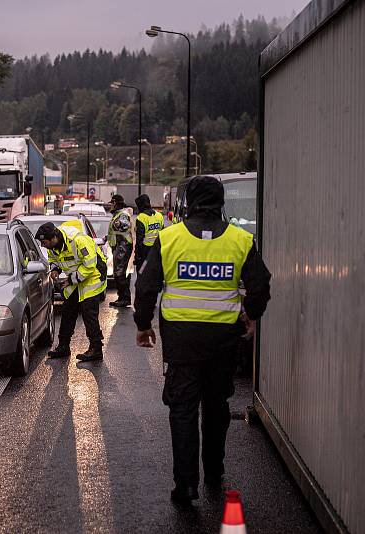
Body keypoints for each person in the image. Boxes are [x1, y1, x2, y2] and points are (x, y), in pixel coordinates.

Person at [133, 176, 271, 503]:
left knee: (182, 410)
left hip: (181, 342)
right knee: (216, 406)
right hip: (223, 341)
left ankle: (186, 485)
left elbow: (147, 286)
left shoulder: (170, 238)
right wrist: (250, 314)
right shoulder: (240, 240)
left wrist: (143, 325)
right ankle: (214, 470)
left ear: (189, 202)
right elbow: (261, 286)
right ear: (221, 202)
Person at [35, 221, 107, 362]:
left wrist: (71, 280)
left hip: (94, 275)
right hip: (76, 277)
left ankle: (96, 349)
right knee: (68, 310)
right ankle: (63, 346)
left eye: (44, 242)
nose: (43, 246)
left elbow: (90, 265)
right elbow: (54, 259)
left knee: (88, 312)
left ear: (53, 238)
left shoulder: (79, 240)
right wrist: (55, 269)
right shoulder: (52, 245)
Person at [106, 194, 133, 308]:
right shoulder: (117, 214)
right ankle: (122, 297)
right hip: (119, 246)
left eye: (112, 203)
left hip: (123, 246)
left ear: (116, 203)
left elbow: (125, 226)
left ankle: (124, 298)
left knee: (119, 273)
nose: (110, 206)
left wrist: (119, 224)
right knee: (118, 272)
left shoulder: (122, 214)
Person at [134, 193, 165, 269]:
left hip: (145, 251)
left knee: (142, 273)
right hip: (157, 249)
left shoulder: (141, 218)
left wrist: (137, 256)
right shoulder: (159, 215)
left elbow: (139, 240)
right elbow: (163, 234)